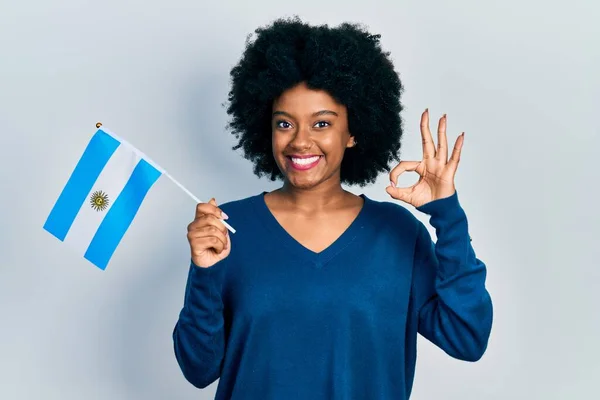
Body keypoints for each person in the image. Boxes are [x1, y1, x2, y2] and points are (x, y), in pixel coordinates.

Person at [172, 17, 493, 400]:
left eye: (321, 123)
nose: (300, 141)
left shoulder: (398, 233)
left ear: (353, 132)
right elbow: (198, 369)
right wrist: (205, 273)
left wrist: (448, 216)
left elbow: (467, 338)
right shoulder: (228, 227)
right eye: (285, 124)